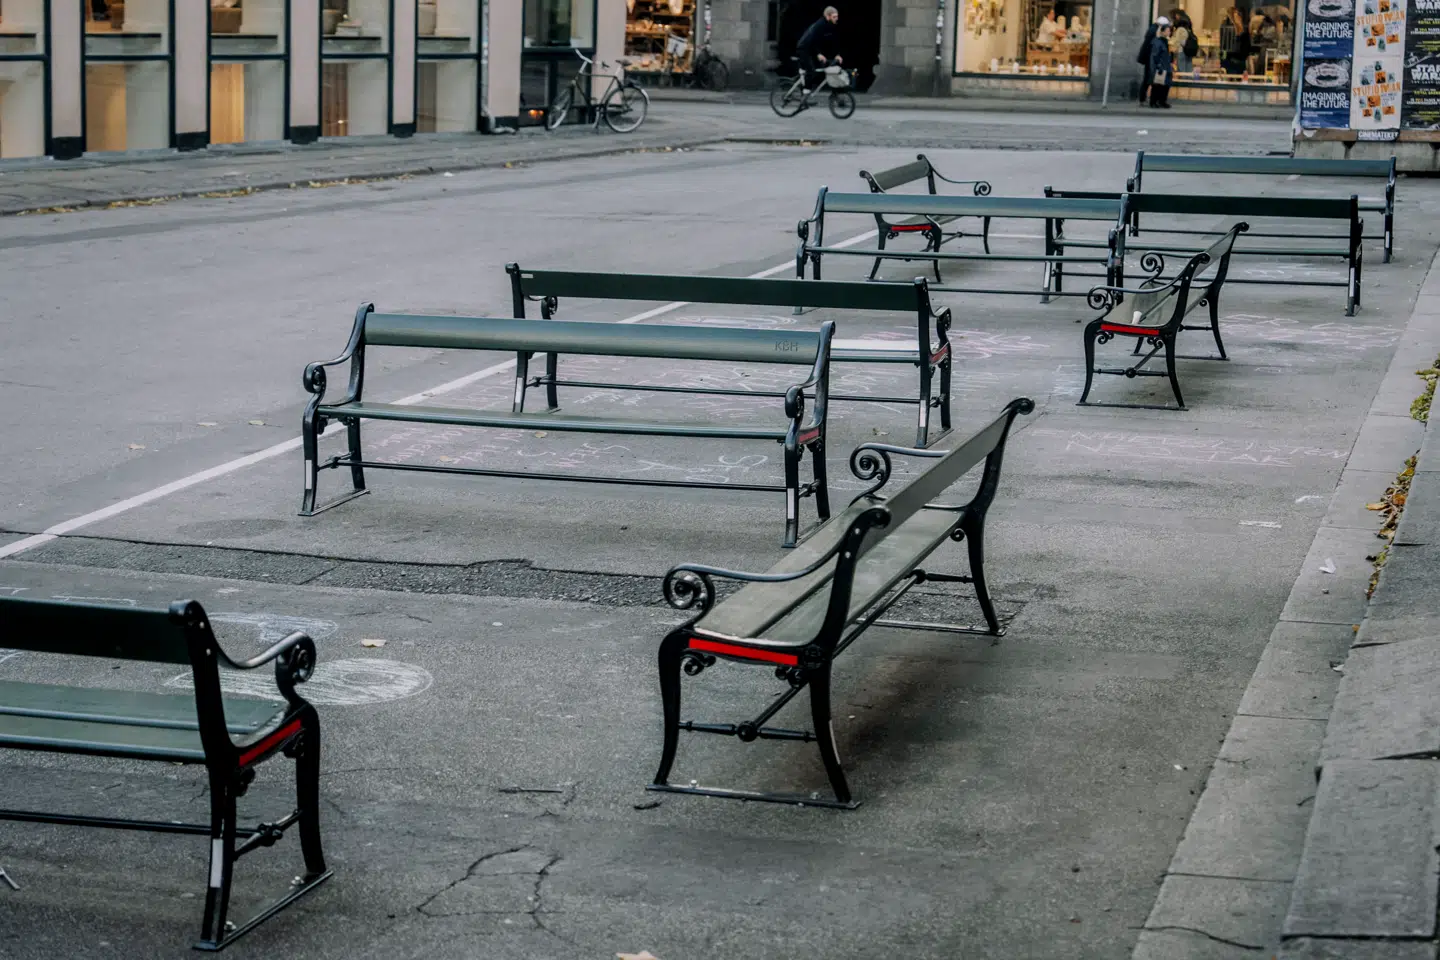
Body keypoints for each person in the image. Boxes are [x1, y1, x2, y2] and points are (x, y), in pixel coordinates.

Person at [796, 6, 842, 86]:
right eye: (834, 17)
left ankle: (836, 92)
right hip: (804, 49)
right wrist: (818, 54)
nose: (837, 19)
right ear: (827, 16)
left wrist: (837, 54)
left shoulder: (830, 25)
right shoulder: (820, 25)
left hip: (813, 49)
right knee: (811, 71)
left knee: (831, 66)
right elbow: (813, 40)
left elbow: (831, 42)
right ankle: (806, 89)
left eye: (837, 16)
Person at [1137, 15, 1168, 103]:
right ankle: (1146, 98)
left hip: (1148, 57)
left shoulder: (1152, 29)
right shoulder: (1155, 31)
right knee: (1150, 78)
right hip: (1151, 58)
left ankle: (1143, 98)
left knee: (1148, 77)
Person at [1149, 20, 1174, 107]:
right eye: (1168, 31)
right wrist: (1157, 66)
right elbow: (1155, 56)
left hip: (1165, 66)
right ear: (1162, 32)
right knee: (1158, 85)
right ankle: (1154, 101)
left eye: (1169, 31)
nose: (1169, 32)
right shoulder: (1158, 42)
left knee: (1165, 85)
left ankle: (1162, 101)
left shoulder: (1165, 41)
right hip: (1161, 66)